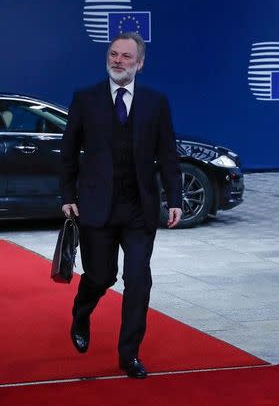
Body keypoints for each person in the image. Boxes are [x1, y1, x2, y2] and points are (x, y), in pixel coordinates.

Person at [60, 32, 182, 379]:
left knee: (138, 280)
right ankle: (82, 312)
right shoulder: (86, 98)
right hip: (97, 207)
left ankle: (129, 354)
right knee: (101, 276)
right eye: (114, 54)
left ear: (140, 64)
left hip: (139, 208)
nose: (118, 61)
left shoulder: (156, 102)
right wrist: (68, 196)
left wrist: (174, 198)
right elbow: (68, 152)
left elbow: (168, 155)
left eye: (127, 57)